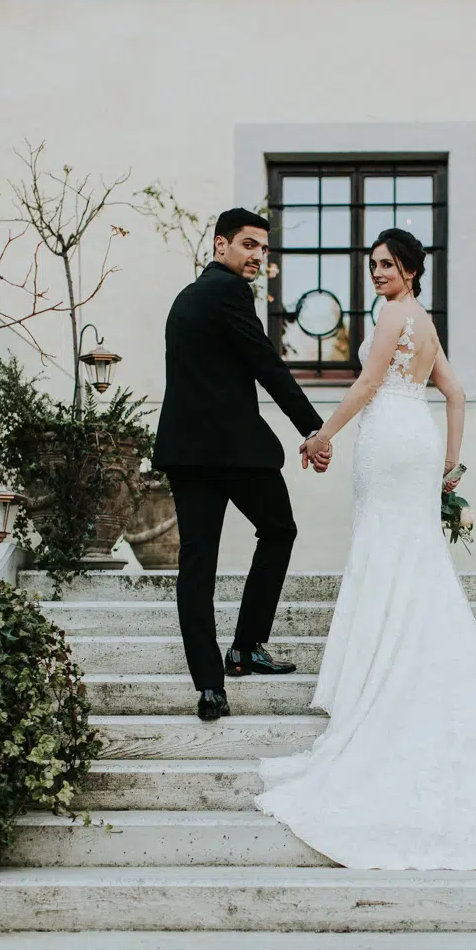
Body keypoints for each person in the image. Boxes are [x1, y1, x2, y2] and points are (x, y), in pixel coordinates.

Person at [255, 227, 476, 870]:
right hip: (421, 439)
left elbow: (362, 388)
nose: (376, 273)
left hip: (388, 439)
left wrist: (316, 438)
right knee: (414, 556)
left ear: (408, 269)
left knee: (386, 549)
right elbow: (456, 393)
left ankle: (381, 678)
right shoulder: (426, 323)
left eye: (386, 264)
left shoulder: (391, 318)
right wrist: (453, 461)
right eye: (372, 265)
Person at [152, 208, 331, 722]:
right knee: (279, 529)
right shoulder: (230, 293)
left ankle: (210, 687)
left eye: (262, 249)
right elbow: (265, 364)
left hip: (187, 455)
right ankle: (246, 646)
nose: (256, 256)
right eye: (248, 245)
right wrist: (313, 431)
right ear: (220, 245)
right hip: (234, 453)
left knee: (197, 566)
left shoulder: (186, 298)